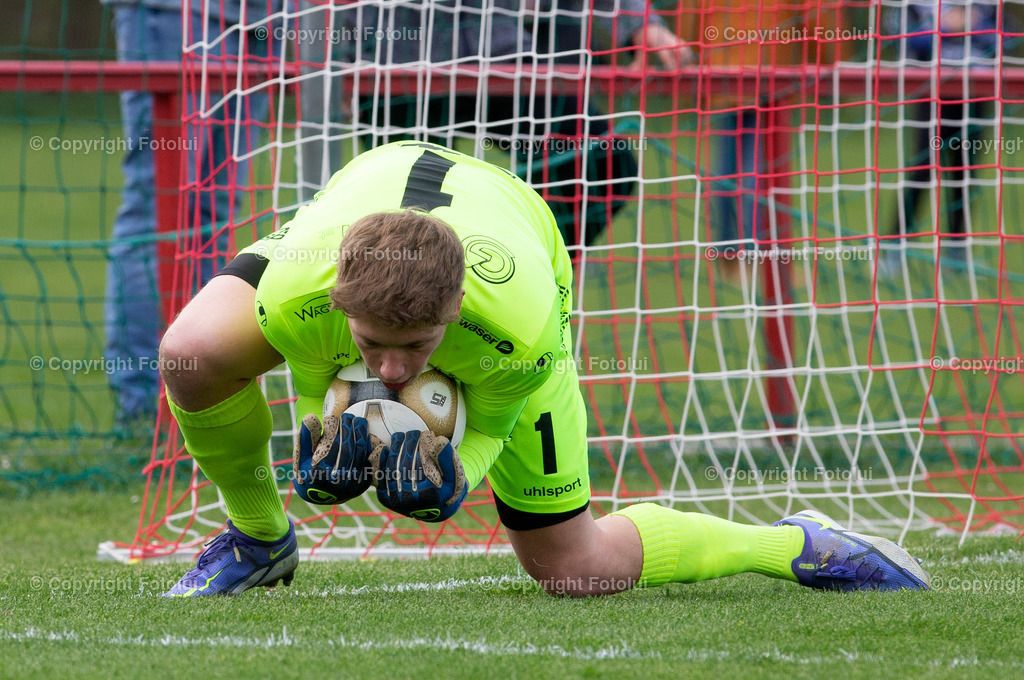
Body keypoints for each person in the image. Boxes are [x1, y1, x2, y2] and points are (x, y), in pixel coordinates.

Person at [158, 141, 930, 597]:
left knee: (573, 570)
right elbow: (318, 374)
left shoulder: (516, 326)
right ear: (337, 305)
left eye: (416, 347)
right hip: (348, 221)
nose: (390, 371)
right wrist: (325, 432)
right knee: (191, 354)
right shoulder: (297, 295)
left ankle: (794, 544)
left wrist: (454, 477)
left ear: (456, 311)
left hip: (518, 237)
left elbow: (489, 424)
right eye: (369, 344)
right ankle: (259, 540)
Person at [296, 0, 693, 253]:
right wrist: (331, 54)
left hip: (505, 55)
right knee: (404, 225)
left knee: (604, 162)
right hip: (397, 64)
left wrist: (640, 22)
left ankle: (520, 276)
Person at [100, 0, 280, 433]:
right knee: (158, 205)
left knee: (214, 213)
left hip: (263, 22)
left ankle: (201, 391)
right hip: (176, 14)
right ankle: (142, 405)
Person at [883, 0, 1000, 269]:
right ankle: (895, 245)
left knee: (964, 172)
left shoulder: (989, 4)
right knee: (922, 168)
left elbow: (1005, 38)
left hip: (975, 93)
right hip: (932, 92)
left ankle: (957, 250)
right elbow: (899, 37)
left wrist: (973, 26)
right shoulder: (915, 4)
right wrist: (944, 28)